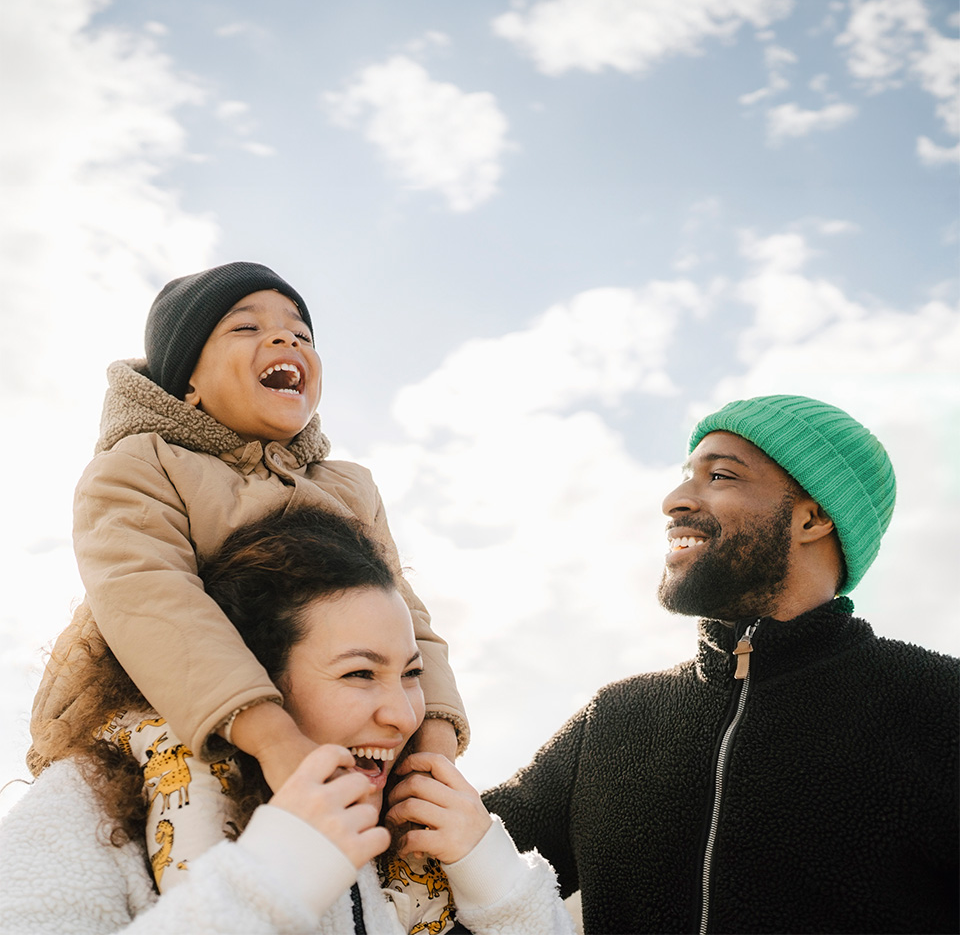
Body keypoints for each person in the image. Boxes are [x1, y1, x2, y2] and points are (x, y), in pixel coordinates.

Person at [483, 394, 959, 935]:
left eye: (721, 476)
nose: (674, 500)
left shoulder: (940, 705)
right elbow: (439, 865)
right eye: (688, 475)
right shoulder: (614, 720)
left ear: (814, 517)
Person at [0, 506, 574, 935]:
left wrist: (498, 886)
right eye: (358, 674)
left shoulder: (411, 847)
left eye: (411, 673)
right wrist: (272, 881)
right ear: (256, 679)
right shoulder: (84, 805)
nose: (402, 716)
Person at [28, 261, 466, 808]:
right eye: (246, 327)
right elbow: (150, 600)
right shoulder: (140, 465)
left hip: (329, 715)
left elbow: (405, 620)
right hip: (163, 703)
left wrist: (435, 747)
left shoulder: (349, 489)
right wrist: (273, 738)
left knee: (416, 846)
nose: (284, 336)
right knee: (190, 795)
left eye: (300, 333)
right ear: (188, 379)